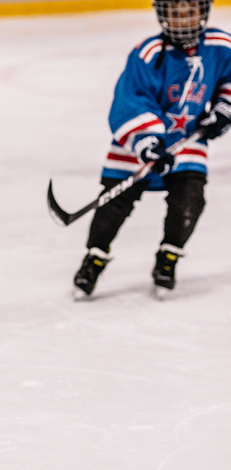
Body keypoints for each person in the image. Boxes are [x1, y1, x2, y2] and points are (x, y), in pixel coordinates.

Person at [72, 0, 231, 299]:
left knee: (190, 201)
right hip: (138, 145)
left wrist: (225, 107)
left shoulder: (221, 45)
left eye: (190, 10)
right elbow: (130, 99)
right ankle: (94, 258)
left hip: (187, 141)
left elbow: (229, 79)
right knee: (112, 206)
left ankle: (168, 257)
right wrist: (146, 142)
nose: (183, 18)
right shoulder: (148, 53)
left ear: (204, 11)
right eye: (175, 11)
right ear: (161, 13)